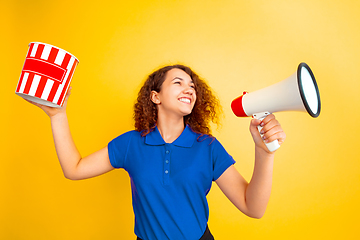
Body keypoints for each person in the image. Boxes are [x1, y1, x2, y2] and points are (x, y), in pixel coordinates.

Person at [26, 64, 286, 240]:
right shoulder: (130, 144)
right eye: (178, 82)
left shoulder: (207, 147)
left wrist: (265, 153)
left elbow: (253, 208)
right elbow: (74, 169)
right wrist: (57, 115)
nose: (189, 89)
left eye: (193, 87)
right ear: (155, 97)